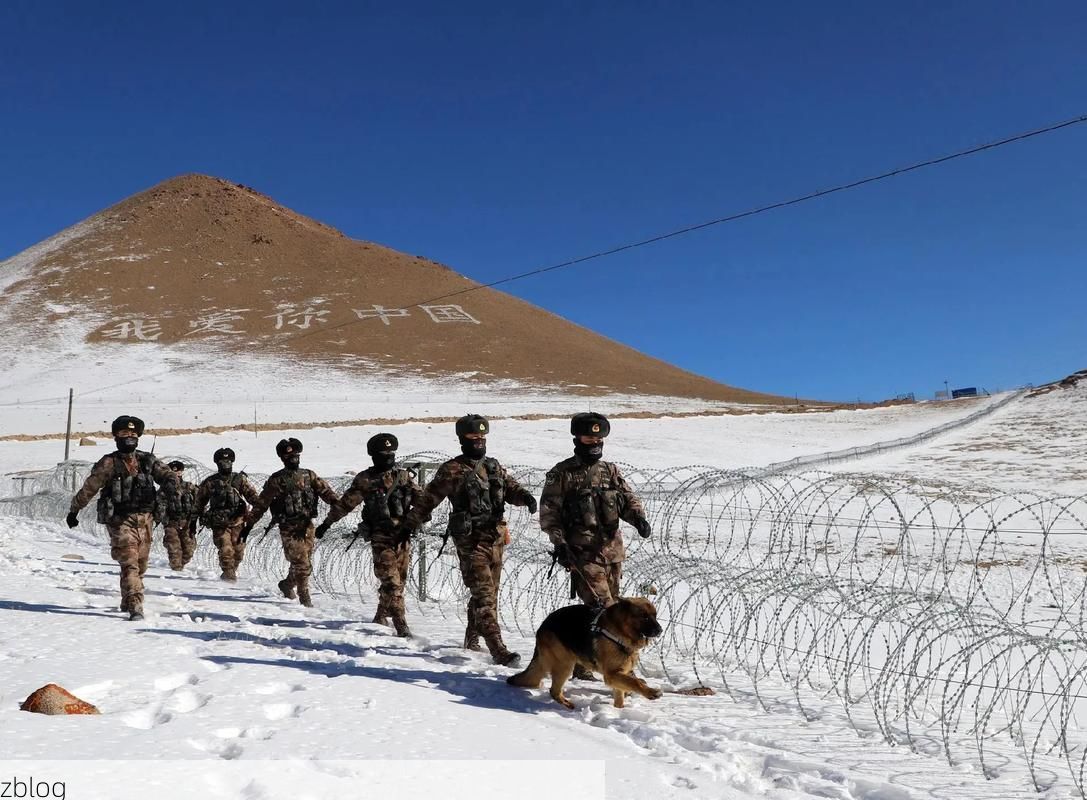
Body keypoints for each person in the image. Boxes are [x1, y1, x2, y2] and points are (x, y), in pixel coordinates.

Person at [403, 414, 537, 666]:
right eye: (473, 437)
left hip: (495, 539)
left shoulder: (494, 466)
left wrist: (526, 498)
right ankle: (498, 649)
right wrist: (410, 524)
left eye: (482, 437)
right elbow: (428, 500)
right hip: (470, 542)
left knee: (488, 594)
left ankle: (472, 638)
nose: (479, 441)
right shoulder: (452, 470)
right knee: (484, 594)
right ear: (462, 439)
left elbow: (511, 489)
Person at [540, 412, 651, 680]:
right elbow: (549, 513)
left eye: (599, 437)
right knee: (604, 608)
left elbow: (627, 499)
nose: (595, 441)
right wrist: (560, 543)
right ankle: (612, 667)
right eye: (589, 436)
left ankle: (584, 660)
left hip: (613, 552)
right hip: (582, 553)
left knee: (612, 610)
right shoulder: (562, 473)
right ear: (577, 438)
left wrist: (638, 518)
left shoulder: (610, 471)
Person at [65, 415, 180, 620]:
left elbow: (169, 476)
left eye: (133, 434)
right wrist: (74, 510)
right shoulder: (109, 463)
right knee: (129, 562)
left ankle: (127, 599)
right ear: (116, 437)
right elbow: (89, 488)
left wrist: (169, 490)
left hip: (145, 520)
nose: (129, 437)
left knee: (141, 565)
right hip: (120, 521)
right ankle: (136, 604)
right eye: (124, 434)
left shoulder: (148, 461)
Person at [315, 433, 422, 636]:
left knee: (399, 580)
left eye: (391, 452)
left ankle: (381, 615)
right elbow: (345, 504)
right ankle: (401, 624)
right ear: (373, 455)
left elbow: (422, 499)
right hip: (381, 537)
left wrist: (422, 514)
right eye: (383, 453)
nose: (388, 456)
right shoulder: (366, 479)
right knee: (392, 582)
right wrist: (326, 524)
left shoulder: (403, 477)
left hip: (402, 537)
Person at [240, 438, 339, 607]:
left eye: (295, 455)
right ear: (282, 459)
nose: (293, 459)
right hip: (289, 528)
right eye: (289, 456)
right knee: (302, 563)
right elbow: (261, 504)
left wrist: (339, 507)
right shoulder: (276, 480)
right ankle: (305, 599)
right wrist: (249, 525)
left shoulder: (309, 475)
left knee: (303, 562)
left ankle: (286, 584)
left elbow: (328, 493)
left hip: (307, 526)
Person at [192, 448, 262, 582]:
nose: (226, 464)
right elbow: (199, 502)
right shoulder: (210, 482)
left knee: (238, 552)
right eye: (222, 462)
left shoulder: (239, 480)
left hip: (238, 523)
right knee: (226, 550)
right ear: (217, 463)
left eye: (228, 461)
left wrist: (254, 514)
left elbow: (254, 498)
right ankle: (229, 577)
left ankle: (230, 572)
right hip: (219, 524)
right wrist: (195, 520)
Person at [159, 460, 198, 571]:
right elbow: (159, 504)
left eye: (178, 471)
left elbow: (200, 501)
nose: (176, 474)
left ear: (182, 472)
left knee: (188, 550)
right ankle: (176, 572)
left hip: (187, 522)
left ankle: (180, 566)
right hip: (171, 523)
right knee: (174, 550)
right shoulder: (164, 489)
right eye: (173, 472)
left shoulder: (189, 487)